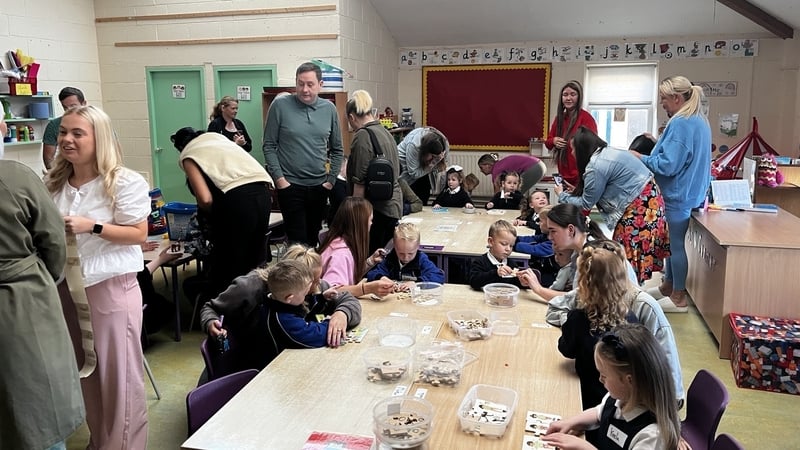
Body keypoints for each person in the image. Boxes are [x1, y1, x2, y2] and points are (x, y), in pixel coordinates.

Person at [45, 105, 150, 450]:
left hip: (109, 290)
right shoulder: (54, 183)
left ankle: (122, 445)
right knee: (86, 373)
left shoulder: (124, 182)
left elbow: (138, 233)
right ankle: (100, 440)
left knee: (118, 379)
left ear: (98, 139)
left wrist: (94, 227)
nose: (67, 140)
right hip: (66, 290)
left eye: (77, 133)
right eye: (63, 132)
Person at [0, 160, 85, 450]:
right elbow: (53, 239)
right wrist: (41, 279)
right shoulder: (13, 176)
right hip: (22, 303)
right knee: (36, 410)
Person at [200, 246, 362, 375]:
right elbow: (210, 307)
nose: (319, 285)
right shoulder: (249, 288)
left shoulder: (308, 288)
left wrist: (342, 314)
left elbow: (346, 299)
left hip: (286, 362)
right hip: (250, 366)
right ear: (295, 286)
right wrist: (209, 322)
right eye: (314, 282)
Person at [631, 75, 712, 312]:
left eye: (664, 99)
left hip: (677, 194)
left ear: (676, 98)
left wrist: (640, 157)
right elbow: (682, 154)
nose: (662, 104)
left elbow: (669, 165)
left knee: (675, 245)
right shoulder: (698, 120)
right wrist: (656, 142)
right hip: (690, 191)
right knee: (671, 243)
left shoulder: (681, 122)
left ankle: (678, 297)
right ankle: (668, 286)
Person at [556, 126, 670, 284]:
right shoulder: (607, 152)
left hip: (640, 209)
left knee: (624, 259)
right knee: (625, 256)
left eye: (573, 149)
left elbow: (585, 204)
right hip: (650, 203)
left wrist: (561, 195)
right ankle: (630, 296)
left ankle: (630, 300)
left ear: (582, 150)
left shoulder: (595, 166)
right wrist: (575, 192)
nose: (572, 154)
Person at [542, 323, 681, 450]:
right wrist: (570, 422)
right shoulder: (619, 397)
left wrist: (583, 447)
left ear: (629, 381)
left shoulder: (652, 436)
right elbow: (599, 413)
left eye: (604, 375)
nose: (600, 379)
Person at [170, 127, 272, 296]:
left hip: (236, 201)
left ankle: (225, 312)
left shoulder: (189, 154)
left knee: (230, 266)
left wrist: (215, 216)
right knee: (254, 260)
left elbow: (205, 199)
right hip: (263, 193)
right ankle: (255, 307)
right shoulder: (220, 141)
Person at [263, 62, 344, 247]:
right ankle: (295, 275)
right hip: (290, 186)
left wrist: (330, 180)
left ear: (320, 84)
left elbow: (338, 149)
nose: (305, 89)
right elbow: (268, 145)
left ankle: (311, 276)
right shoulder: (280, 106)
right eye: (300, 84)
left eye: (310, 84)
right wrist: (280, 180)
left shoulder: (329, 109)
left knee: (313, 239)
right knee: (297, 242)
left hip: (319, 186)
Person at [557, 240, 641, 411]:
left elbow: (566, 349)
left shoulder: (579, 318)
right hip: (624, 402)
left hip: (587, 399)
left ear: (584, 285)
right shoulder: (632, 319)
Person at [345, 90, 402, 252]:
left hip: (375, 211)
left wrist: (355, 220)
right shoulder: (385, 132)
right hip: (392, 205)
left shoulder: (363, 135)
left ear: (351, 117)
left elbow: (359, 182)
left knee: (369, 258)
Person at [318, 197, 396, 298]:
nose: (371, 224)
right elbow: (332, 291)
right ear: (361, 223)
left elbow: (346, 273)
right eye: (370, 220)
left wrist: (370, 262)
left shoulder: (337, 241)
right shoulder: (340, 254)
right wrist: (367, 289)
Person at [544, 80, 598, 187]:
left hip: (581, 174)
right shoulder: (559, 118)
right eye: (565, 95)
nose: (568, 98)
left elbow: (592, 145)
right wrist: (554, 140)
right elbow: (548, 142)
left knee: (577, 203)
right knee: (564, 202)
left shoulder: (586, 118)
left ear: (579, 97)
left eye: (573, 94)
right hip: (562, 174)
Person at [366, 222, 444, 290]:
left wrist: (416, 283)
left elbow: (438, 276)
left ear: (418, 246)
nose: (406, 258)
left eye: (410, 253)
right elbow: (371, 274)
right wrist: (382, 278)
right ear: (394, 246)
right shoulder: (390, 259)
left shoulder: (421, 259)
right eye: (401, 253)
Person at [468, 219, 534, 290]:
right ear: (491, 242)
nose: (508, 249)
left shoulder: (512, 264)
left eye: (511, 246)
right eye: (504, 244)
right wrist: (496, 273)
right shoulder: (480, 262)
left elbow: (515, 284)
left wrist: (522, 283)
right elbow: (474, 282)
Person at [397, 126, 449, 204]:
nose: (435, 158)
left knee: (423, 198)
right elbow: (414, 174)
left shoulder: (444, 144)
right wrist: (434, 162)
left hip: (423, 171)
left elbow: (441, 168)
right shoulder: (414, 145)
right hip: (406, 172)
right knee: (408, 203)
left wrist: (435, 162)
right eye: (433, 156)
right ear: (425, 152)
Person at [514, 205, 560, 287]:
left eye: (541, 221)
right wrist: (513, 238)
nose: (538, 224)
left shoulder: (555, 241)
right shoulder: (546, 235)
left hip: (553, 275)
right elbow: (533, 239)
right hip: (547, 269)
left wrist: (513, 244)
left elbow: (535, 249)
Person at [42, 86, 86, 170]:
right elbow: (48, 158)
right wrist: (56, 176)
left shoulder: (96, 123)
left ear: (83, 104)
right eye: (65, 108)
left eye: (73, 106)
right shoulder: (54, 125)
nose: (69, 111)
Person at [477, 152, 546, 197]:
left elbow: (497, 194)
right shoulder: (499, 165)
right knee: (514, 194)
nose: (481, 170)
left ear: (487, 165)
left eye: (481, 167)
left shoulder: (496, 170)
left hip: (534, 167)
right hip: (539, 165)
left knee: (514, 195)